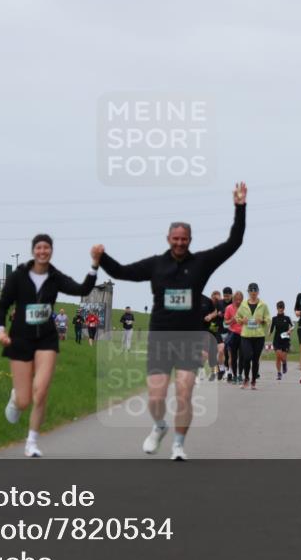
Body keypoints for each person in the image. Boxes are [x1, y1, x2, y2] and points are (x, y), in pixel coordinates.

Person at [94, 182, 247, 461]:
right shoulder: (156, 265)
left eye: (184, 239)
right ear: (168, 238)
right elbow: (122, 272)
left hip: (189, 339)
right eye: (175, 239)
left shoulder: (201, 263)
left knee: (185, 392)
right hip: (160, 338)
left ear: (190, 239)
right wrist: (101, 258)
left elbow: (233, 243)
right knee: (156, 396)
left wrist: (240, 207)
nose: (179, 243)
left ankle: (178, 444)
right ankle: (159, 425)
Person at [0, 234, 99, 457]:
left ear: (51, 251)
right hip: (20, 338)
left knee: (41, 392)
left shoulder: (55, 276)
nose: (43, 251)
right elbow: (1, 307)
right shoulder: (18, 277)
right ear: (33, 251)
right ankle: (16, 398)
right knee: (24, 401)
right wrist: (1, 331)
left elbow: (82, 289)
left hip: (47, 339)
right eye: (39, 248)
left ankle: (31, 442)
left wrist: (94, 265)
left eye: (47, 248)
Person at [235, 283, 270, 390]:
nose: (253, 293)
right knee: (247, 357)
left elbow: (268, 319)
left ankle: (253, 381)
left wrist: (262, 320)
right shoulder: (244, 304)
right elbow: (237, 317)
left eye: (255, 290)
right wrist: (242, 320)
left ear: (258, 292)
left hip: (259, 336)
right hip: (246, 335)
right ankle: (246, 378)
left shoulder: (263, 305)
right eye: (251, 291)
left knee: (255, 359)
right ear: (248, 292)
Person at [269, 300, 294, 380]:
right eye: (279, 308)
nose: (281, 309)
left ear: (284, 308)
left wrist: (290, 330)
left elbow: (293, 325)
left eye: (282, 308)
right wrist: (269, 333)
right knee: (278, 356)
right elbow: (271, 328)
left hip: (285, 340)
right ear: (277, 308)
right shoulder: (274, 318)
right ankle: (279, 373)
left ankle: (284, 363)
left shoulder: (287, 318)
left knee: (283, 357)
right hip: (277, 340)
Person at [223, 291, 244, 385]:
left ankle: (240, 375)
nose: (238, 301)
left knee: (243, 356)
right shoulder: (229, 308)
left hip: (244, 334)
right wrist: (233, 319)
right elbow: (226, 322)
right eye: (236, 299)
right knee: (234, 356)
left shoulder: (245, 308)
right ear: (233, 299)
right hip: (233, 333)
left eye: (240, 299)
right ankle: (234, 375)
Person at [219, 287, 233, 379]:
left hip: (231, 330)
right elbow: (216, 312)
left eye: (228, 296)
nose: (226, 297)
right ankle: (221, 369)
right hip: (221, 329)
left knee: (230, 351)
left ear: (231, 295)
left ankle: (230, 371)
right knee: (221, 351)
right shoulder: (220, 303)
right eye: (224, 296)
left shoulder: (234, 303)